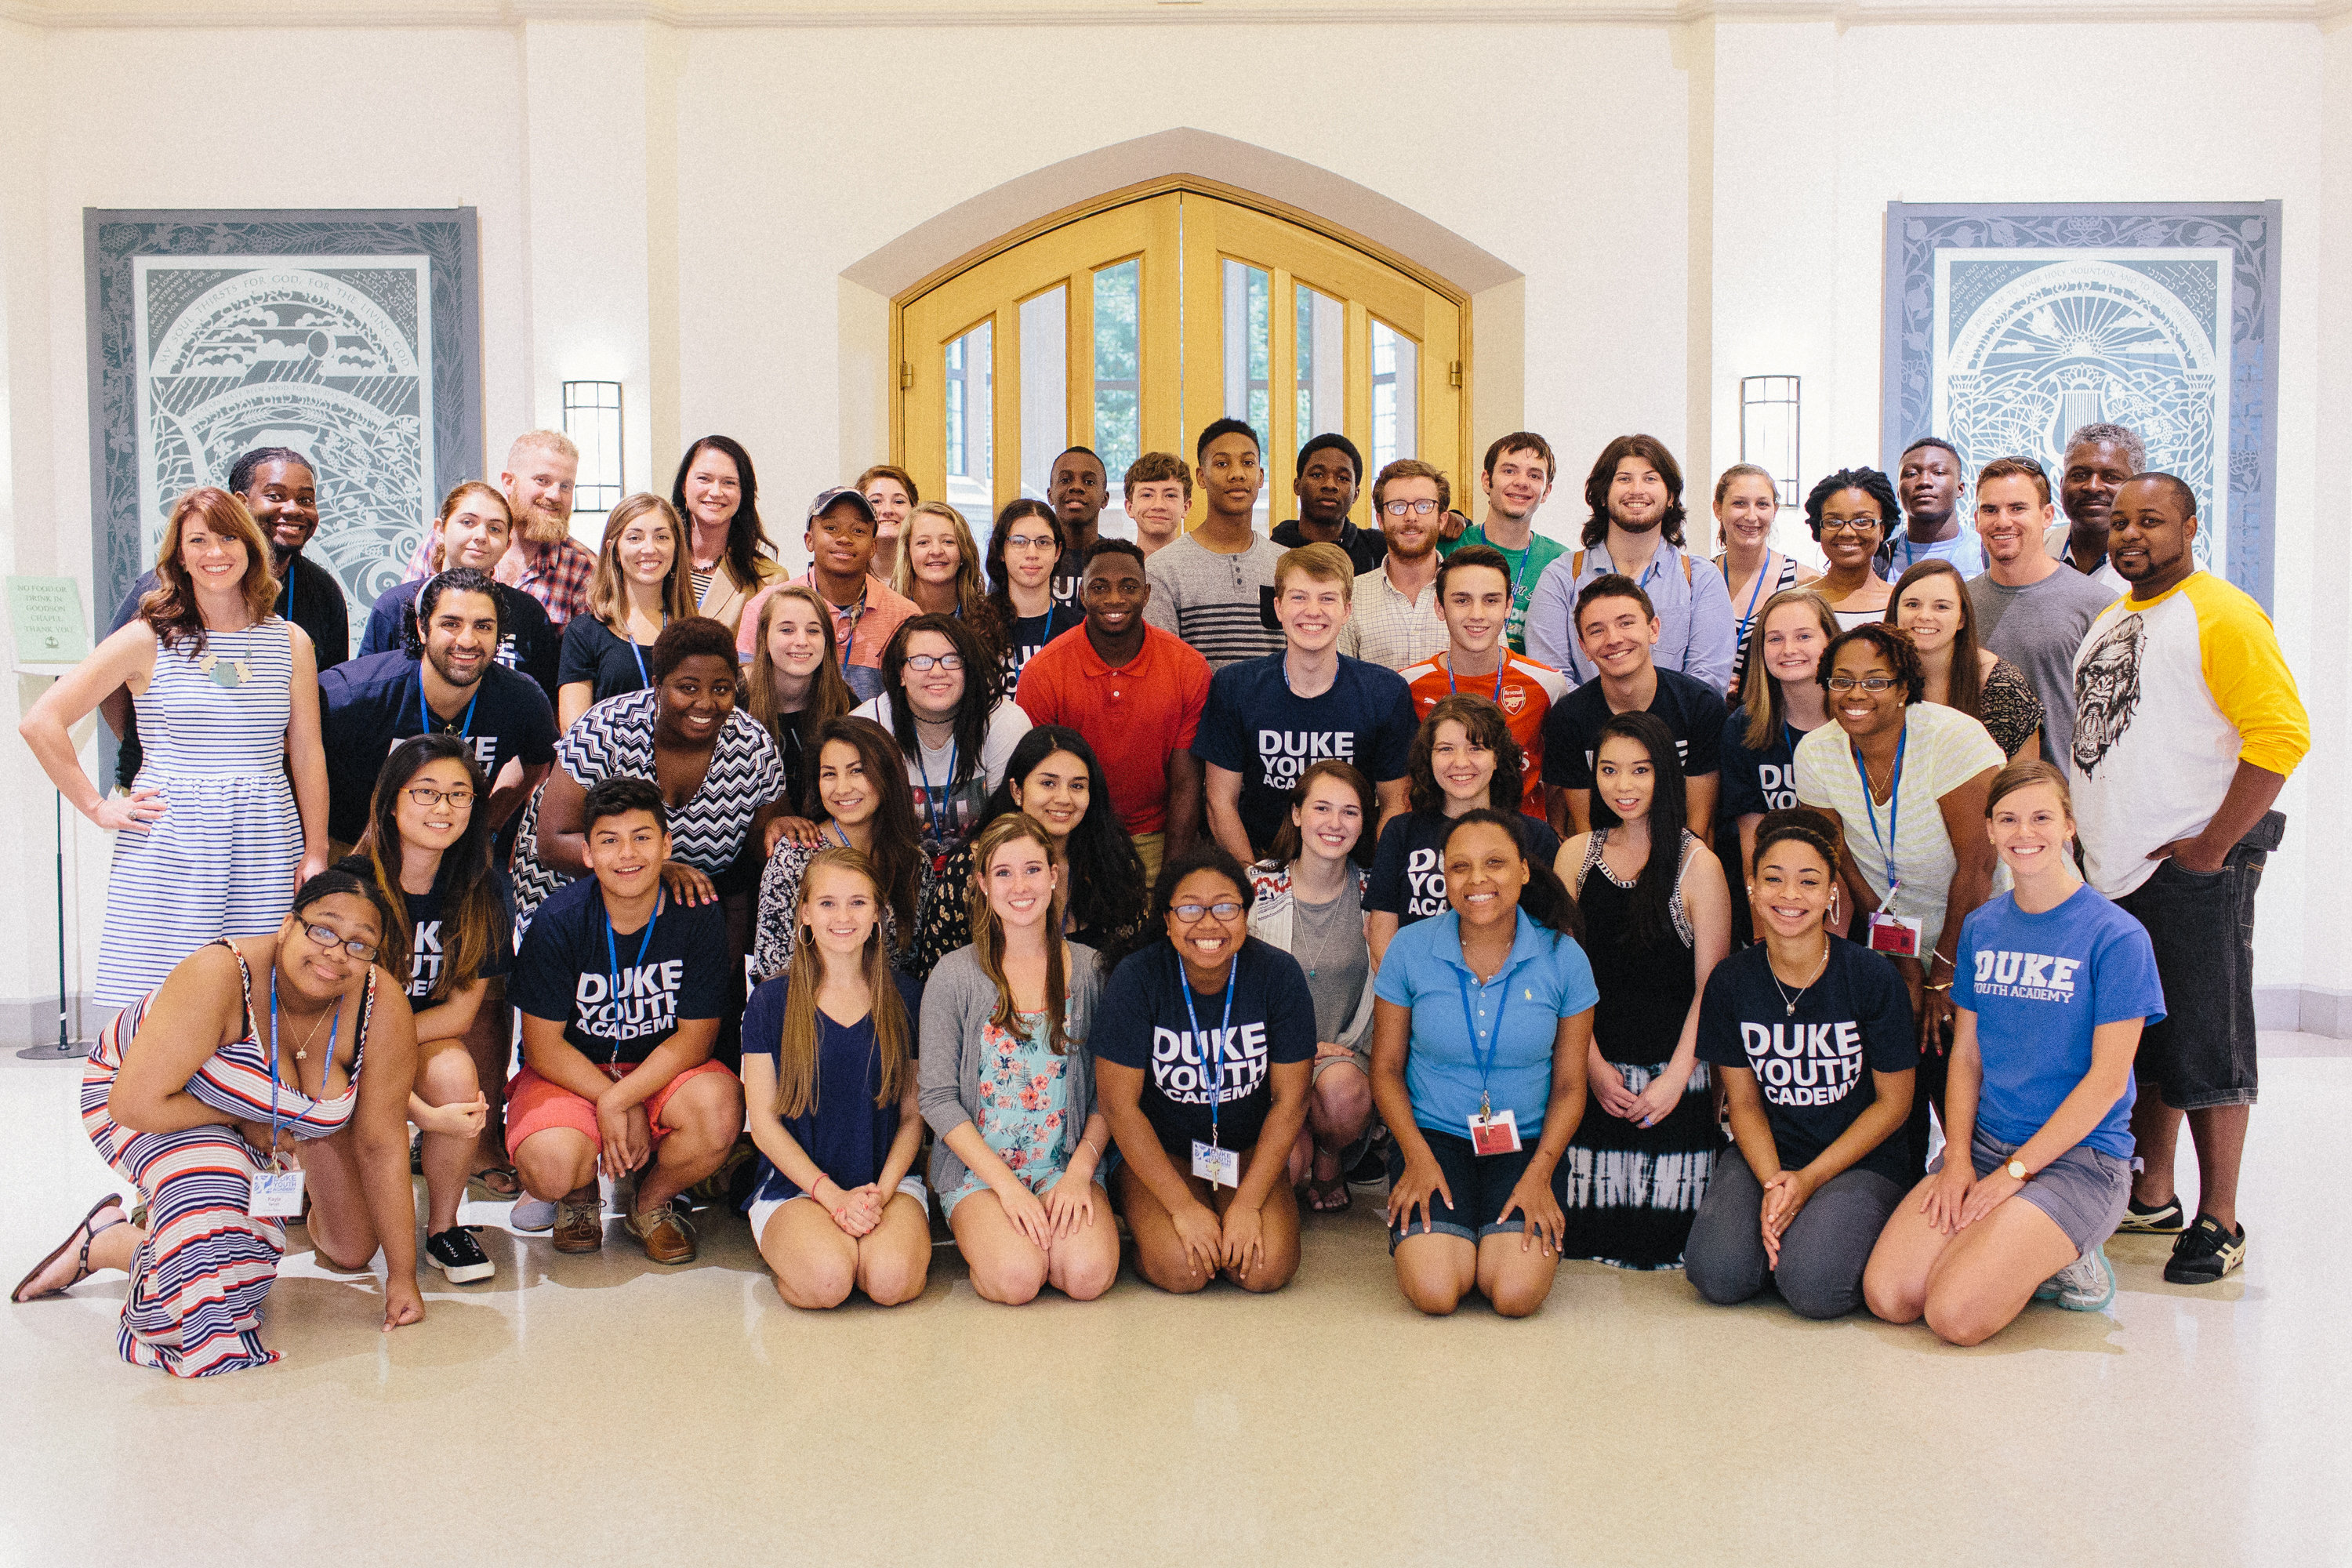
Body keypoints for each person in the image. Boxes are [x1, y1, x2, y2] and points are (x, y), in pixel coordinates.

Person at [13, 872, 423, 1373]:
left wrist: (402, 1277)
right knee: (210, 1226)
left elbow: (383, 1142)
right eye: (322, 930)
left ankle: (152, 1242)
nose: (337, 953)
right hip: (152, 1101)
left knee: (350, 1247)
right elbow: (133, 1103)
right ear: (287, 926)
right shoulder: (220, 972)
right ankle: (111, 1243)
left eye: (359, 944)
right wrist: (244, 1118)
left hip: (275, 1124)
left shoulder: (381, 1005)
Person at [2071, 474, 2307, 1283]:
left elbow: (2281, 735)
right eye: (2121, 521)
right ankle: (2154, 1195)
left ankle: (2221, 1219)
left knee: (2210, 1042)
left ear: (2191, 526)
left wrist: (2211, 848)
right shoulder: (2114, 616)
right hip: (2118, 870)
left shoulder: (2223, 613)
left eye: (2152, 520)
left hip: (2194, 867)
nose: (2130, 534)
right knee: (2151, 1041)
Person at [1864, 761, 2165, 1343]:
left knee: (1954, 1315)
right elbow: (1966, 1058)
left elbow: (2107, 1082)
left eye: (2041, 818)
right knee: (1892, 1295)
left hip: (2079, 1160)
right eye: (2008, 820)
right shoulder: (1982, 927)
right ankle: (2015, 1243)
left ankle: (2068, 1255)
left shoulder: (2118, 937)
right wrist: (1957, 1159)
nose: (2024, 833)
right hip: (1984, 1147)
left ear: (2069, 827)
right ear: (1990, 830)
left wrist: (2014, 1175)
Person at [25, 487, 327, 1011]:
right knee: (164, 994)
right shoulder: (147, 638)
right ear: (180, 556)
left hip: (266, 834)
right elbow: (41, 721)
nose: (215, 553)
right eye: (198, 541)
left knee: (255, 991)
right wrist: (97, 807)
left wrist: (317, 849)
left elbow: (307, 751)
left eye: (228, 537)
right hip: (173, 839)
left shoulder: (290, 641)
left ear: (251, 547)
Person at [1684, 809, 1915, 1319]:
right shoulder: (1731, 982)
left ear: (1832, 892)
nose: (1790, 895)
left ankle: (1817, 1240)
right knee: (1716, 1274)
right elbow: (1743, 1104)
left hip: (1857, 1159)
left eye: (1809, 881)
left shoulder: (1872, 978)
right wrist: (1775, 1185)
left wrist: (1808, 1180)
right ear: (1752, 887)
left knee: (1814, 1287)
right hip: (1770, 1151)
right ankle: (1790, 1237)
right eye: (1774, 879)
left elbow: (1894, 1105)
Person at [1795, 622, 2004, 1173]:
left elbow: (1977, 868)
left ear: (1905, 686)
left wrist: (1942, 974)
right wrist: (1902, 961)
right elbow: (1840, 859)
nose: (1856, 694)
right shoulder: (1817, 753)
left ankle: (1982, 1179)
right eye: (1841, 680)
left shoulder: (1952, 739)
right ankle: (1904, 1186)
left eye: (1875, 680)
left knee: (1967, 1069)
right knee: (1900, 1058)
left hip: (1980, 931)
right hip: (1893, 930)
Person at [506, 777, 743, 1263]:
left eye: (642, 837)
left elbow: (695, 1040)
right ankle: (578, 1197)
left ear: (667, 845)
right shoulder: (559, 919)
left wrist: (625, 1096)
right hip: (572, 1072)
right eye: (609, 841)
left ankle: (650, 1203)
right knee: (550, 1167)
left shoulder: (697, 915)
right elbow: (543, 1046)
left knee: (719, 1112)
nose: (627, 854)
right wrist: (609, 1097)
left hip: (659, 1070)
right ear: (588, 853)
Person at [1375, 808, 1598, 1316]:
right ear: (1444, 876)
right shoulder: (1410, 948)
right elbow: (1385, 1071)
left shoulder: (1563, 956)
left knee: (1514, 1293)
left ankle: (1484, 1234)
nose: (1477, 879)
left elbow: (1570, 1087)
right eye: (1460, 867)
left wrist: (1541, 1174)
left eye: (1494, 863)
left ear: (1524, 870)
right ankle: (1462, 1234)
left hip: (1527, 1144)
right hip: (1431, 1138)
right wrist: (1415, 1156)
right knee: (1435, 1291)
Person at [1554, 713, 1732, 1269]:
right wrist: (1590, 1065)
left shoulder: (1699, 865)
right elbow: (1560, 977)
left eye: (1640, 770)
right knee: (1579, 1236)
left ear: (1665, 775)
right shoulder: (1575, 855)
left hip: (1675, 1072)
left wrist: (1676, 1079)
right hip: (1591, 1066)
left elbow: (1710, 988)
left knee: (1665, 1243)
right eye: (1609, 770)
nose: (1623, 785)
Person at [1094, 844, 1314, 1294]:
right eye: (1190, 909)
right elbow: (1119, 1107)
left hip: (1244, 1148)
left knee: (1265, 1269)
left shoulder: (1279, 975)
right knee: (1185, 1269)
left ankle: (1228, 1206)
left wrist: (1248, 1204)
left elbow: (1291, 1100)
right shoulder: (1137, 978)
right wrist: (1181, 1207)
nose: (1209, 924)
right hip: (1162, 1150)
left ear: (1246, 914)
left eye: (1226, 907)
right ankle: (1148, 1231)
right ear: (1167, 920)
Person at [921, 815, 1120, 1305]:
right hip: (982, 1173)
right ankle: (1002, 1242)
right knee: (1017, 1278)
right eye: (1003, 873)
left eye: (1032, 869)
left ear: (1054, 875)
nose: (1020, 886)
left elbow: (1109, 1092)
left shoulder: (1090, 970)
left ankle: (1051, 1238)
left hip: (1064, 1165)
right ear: (983, 883)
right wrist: (1007, 1189)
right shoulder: (954, 975)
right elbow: (937, 1099)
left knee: (1088, 1275)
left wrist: (1080, 1174)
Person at [511, 618, 788, 967]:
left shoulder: (753, 746)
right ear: (658, 685)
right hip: (575, 897)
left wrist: (782, 830)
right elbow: (553, 843)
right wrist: (654, 869)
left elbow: (762, 842)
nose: (706, 703)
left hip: (681, 916)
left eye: (721, 689)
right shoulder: (606, 729)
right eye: (688, 688)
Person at [346, 736, 514, 1283]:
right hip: (340, 1050)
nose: (443, 807)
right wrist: (413, 1105)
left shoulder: (483, 888)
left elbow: (462, 1013)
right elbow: (333, 1016)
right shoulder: (351, 887)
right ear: (392, 802)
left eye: (459, 794)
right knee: (350, 1248)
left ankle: (444, 1227)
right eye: (426, 792)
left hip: (414, 1035)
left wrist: (395, 1049)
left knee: (456, 1075)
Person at [741, 846, 930, 1310]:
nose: (843, 917)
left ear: (877, 914)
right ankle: (807, 1248)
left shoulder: (908, 997)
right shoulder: (770, 1002)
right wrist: (832, 1198)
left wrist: (881, 1195)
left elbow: (912, 1118)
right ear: (805, 913)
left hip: (886, 1183)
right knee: (828, 1282)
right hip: (796, 1188)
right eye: (827, 903)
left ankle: (857, 1246)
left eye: (857, 902)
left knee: (892, 1282)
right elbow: (763, 1124)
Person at [102, 447, 349, 789]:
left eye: (306, 500)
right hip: (160, 791)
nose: (293, 509)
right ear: (240, 504)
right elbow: (110, 687)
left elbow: (327, 695)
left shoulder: (323, 592)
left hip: (272, 794)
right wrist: (153, 748)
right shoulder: (164, 587)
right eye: (276, 496)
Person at [1195, 543, 1416, 863]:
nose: (1313, 610)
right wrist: (1255, 879)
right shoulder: (1235, 687)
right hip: (1260, 861)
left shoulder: (1386, 692)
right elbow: (1219, 802)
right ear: (1278, 607)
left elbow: (1396, 804)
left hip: (1354, 866)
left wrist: (1375, 879)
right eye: (1299, 597)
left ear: (1347, 610)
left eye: (1327, 598)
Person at [1015, 538, 1210, 884]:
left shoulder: (1188, 667)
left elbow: (1186, 785)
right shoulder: (1043, 672)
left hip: (1157, 837)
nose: (1114, 599)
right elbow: (1037, 783)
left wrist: (1171, 882)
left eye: (1129, 587)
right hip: (1072, 835)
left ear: (1147, 595)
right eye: (1100, 587)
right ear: (1082, 595)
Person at [321, 568, 558, 846]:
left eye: (483, 626)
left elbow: (538, 757)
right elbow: (293, 747)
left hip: (451, 850)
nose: (468, 641)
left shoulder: (522, 699)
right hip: (354, 846)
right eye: (451, 624)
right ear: (423, 629)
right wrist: (316, 843)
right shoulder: (354, 693)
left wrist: (488, 823)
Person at [1245, 761, 1377, 1214]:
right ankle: (1298, 1137)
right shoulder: (1255, 887)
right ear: (1297, 814)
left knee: (1341, 1096)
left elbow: (1390, 991)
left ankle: (1329, 1151)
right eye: (1322, 808)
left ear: (1364, 823)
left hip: (1343, 1056)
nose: (1335, 823)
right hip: (1266, 1056)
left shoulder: (1376, 894)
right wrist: (1295, 1047)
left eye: (1350, 812)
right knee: (1281, 1172)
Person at [913, 725, 1150, 977]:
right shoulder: (973, 865)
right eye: (1048, 783)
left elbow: (1137, 966)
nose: (1064, 798)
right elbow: (936, 971)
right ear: (1017, 791)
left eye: (1077, 786)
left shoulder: (1111, 860)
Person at [1524, 434, 1737, 695]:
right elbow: (1551, 679)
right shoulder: (1562, 577)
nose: (1637, 490)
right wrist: (1602, 718)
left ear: (1671, 496)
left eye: (1650, 479)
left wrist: (1648, 720)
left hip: (1678, 723)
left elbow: (1707, 682)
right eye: (1624, 479)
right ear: (1603, 495)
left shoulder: (1701, 579)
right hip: (1584, 721)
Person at [1367, 694, 1560, 963]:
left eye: (1476, 748)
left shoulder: (1535, 836)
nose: (1460, 762)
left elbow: (1552, 937)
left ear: (1497, 757)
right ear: (1428, 758)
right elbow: (1382, 939)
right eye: (1445, 749)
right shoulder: (1400, 832)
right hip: (1417, 984)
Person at [1967, 456, 2118, 776]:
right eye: (1990, 510)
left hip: (2065, 794)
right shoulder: (1957, 605)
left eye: (2017, 508)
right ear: (1977, 519)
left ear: (2047, 515)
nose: (2002, 521)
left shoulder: (2098, 605)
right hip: (1975, 791)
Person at [1539, 575, 1722, 837]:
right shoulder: (1568, 718)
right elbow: (1585, 830)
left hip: (1683, 852)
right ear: (1584, 647)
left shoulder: (1700, 705)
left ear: (1653, 629)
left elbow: (1700, 827)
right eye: (1596, 630)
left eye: (1626, 623)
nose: (1613, 639)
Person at [1398, 544, 1570, 821]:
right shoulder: (1407, 686)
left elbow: (1560, 780)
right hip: (1437, 837)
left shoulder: (1547, 684)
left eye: (1491, 600)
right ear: (1440, 607)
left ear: (1508, 606)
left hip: (1523, 835)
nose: (1477, 614)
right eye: (1462, 600)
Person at [753, 717, 926, 980]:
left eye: (857, 771)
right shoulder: (796, 854)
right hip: (805, 1003)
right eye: (829, 774)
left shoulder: (914, 862)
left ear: (887, 774)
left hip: (891, 1002)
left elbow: (916, 969)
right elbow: (771, 968)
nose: (843, 788)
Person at [359, 481, 559, 702]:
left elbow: (546, 699)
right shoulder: (394, 605)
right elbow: (367, 691)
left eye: (495, 528)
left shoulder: (528, 612)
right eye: (467, 522)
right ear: (440, 530)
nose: (481, 536)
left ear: (507, 544)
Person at [854, 614, 1033, 854]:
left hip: (981, 864)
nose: (937, 671)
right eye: (921, 661)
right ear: (901, 673)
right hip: (893, 867)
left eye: (951, 659)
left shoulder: (1004, 722)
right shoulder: (868, 725)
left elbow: (1007, 825)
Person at [735, 488, 923, 702]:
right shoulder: (764, 607)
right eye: (831, 528)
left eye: (858, 531)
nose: (844, 538)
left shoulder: (905, 616)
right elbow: (746, 695)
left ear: (873, 547)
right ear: (809, 540)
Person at [1143, 419, 1285, 668]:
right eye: (1222, 464)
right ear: (1201, 477)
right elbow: (1164, 670)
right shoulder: (1162, 568)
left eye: (1248, 463)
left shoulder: (1286, 564)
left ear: (1261, 476)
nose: (1237, 474)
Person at [1720, 589, 1838, 878]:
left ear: (1831, 641)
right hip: (1779, 883)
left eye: (1804, 636)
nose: (1788, 650)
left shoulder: (1859, 721)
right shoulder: (1742, 728)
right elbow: (1752, 843)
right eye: (1775, 639)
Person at [556, 493, 693, 729]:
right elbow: (574, 732)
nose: (649, 548)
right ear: (614, 551)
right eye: (634, 538)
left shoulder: (695, 631)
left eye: (661, 537)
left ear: (677, 548)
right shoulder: (584, 632)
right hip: (608, 753)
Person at [1887, 560, 2043, 761]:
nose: (1924, 616)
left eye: (1941, 607)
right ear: (1895, 612)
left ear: (1961, 619)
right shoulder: (1876, 678)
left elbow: (2024, 776)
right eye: (1912, 605)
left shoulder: (2002, 684)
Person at [1436, 432, 1568, 655]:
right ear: (1486, 481)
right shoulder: (1447, 548)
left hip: (1529, 677)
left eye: (1534, 475)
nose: (1522, 482)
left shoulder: (1560, 563)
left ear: (1546, 491)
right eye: (1509, 471)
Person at [742, 583, 858, 816]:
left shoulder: (845, 702)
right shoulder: (733, 695)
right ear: (764, 637)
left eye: (813, 631)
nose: (802, 641)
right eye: (787, 630)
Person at [1709, 463, 1817, 698]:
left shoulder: (1803, 582)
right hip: (1706, 709)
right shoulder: (1698, 578)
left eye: (1762, 504)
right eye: (1739, 503)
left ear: (1774, 510)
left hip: (1772, 711)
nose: (1751, 516)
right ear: (1718, 509)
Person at [1338, 458, 1448, 669]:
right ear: (1380, 520)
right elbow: (1340, 679)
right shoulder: (1352, 596)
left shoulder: (1469, 593)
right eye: (1398, 507)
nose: (1411, 517)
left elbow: (1496, 673)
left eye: (1423, 506)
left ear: (1441, 520)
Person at [672, 434, 786, 636]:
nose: (716, 492)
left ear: (743, 494)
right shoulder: (656, 563)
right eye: (704, 479)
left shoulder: (769, 580)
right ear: (683, 486)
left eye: (729, 483)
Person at [485, 430, 598, 628]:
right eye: (542, 480)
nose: (555, 495)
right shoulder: (459, 544)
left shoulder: (583, 568)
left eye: (565, 486)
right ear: (509, 482)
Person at [891, 499, 1004, 656]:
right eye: (923, 543)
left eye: (948, 541)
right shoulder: (889, 618)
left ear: (963, 552)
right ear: (908, 552)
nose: (936, 551)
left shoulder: (987, 622)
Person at [984, 497, 1076, 690]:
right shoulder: (975, 626)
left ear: (1057, 551)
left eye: (1043, 542)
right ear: (1001, 551)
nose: (1032, 553)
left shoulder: (1079, 628)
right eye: (1019, 541)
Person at [1272, 432, 1385, 575]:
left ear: (1356, 494)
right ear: (1297, 486)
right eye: (1317, 475)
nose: (1330, 485)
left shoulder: (1379, 552)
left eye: (1343, 478)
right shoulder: (1273, 552)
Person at [2046, 423, 2140, 591]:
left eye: (2111, 477)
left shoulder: (2161, 566)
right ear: (2061, 485)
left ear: (2138, 488)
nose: (2093, 487)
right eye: (2080, 475)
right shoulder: (2032, 551)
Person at [1805, 466, 1900, 630]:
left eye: (1862, 522)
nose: (1847, 532)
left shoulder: (1901, 604)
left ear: (1882, 530)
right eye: (1833, 522)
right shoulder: (1795, 602)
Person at [1884, 438, 1985, 579]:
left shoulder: (1986, 554)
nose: (1924, 482)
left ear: (1960, 489)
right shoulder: (1879, 560)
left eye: (1939, 472)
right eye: (1912, 474)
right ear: (1898, 493)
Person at [1045, 447, 1108, 608]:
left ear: (1105, 499)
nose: (1076, 487)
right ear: (1050, 495)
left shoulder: (1116, 560)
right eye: (1065, 480)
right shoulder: (1032, 557)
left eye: (1089, 482)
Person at [1123, 451, 1192, 557]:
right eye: (1147, 495)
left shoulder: (1202, 566)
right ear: (1129, 508)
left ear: (1185, 508)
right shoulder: (1117, 566)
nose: (1158, 506)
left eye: (1170, 495)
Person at [858, 463, 918, 582]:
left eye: (899, 502)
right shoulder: (844, 574)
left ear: (914, 509)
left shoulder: (929, 575)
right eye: (876, 501)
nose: (888, 510)